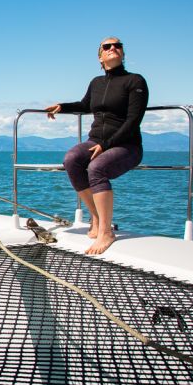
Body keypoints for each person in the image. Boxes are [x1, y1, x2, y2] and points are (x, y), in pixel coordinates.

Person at [44, 37, 148, 255]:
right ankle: (97, 218)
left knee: (96, 168)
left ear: (123, 53)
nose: (113, 48)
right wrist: (61, 107)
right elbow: (84, 105)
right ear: (100, 57)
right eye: (107, 47)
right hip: (97, 142)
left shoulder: (135, 81)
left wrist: (106, 144)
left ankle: (105, 232)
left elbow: (133, 121)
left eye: (117, 45)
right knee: (71, 160)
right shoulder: (96, 83)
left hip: (126, 145)